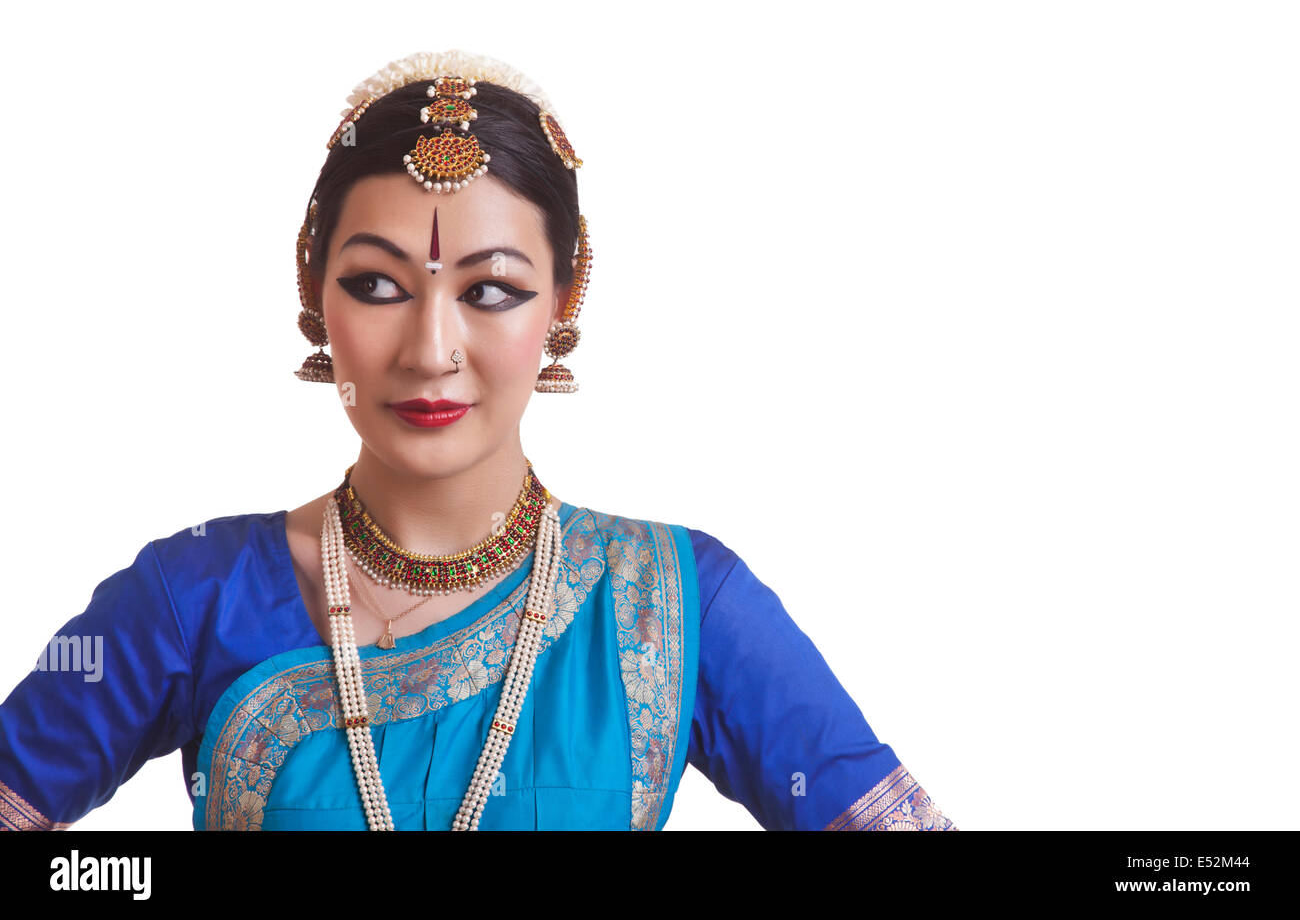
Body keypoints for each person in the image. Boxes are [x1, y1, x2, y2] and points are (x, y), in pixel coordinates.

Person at [0, 50, 956, 831]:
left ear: (565, 300)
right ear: (313, 292)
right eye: (377, 286)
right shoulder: (191, 597)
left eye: (491, 290)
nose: (429, 351)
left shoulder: (676, 603)